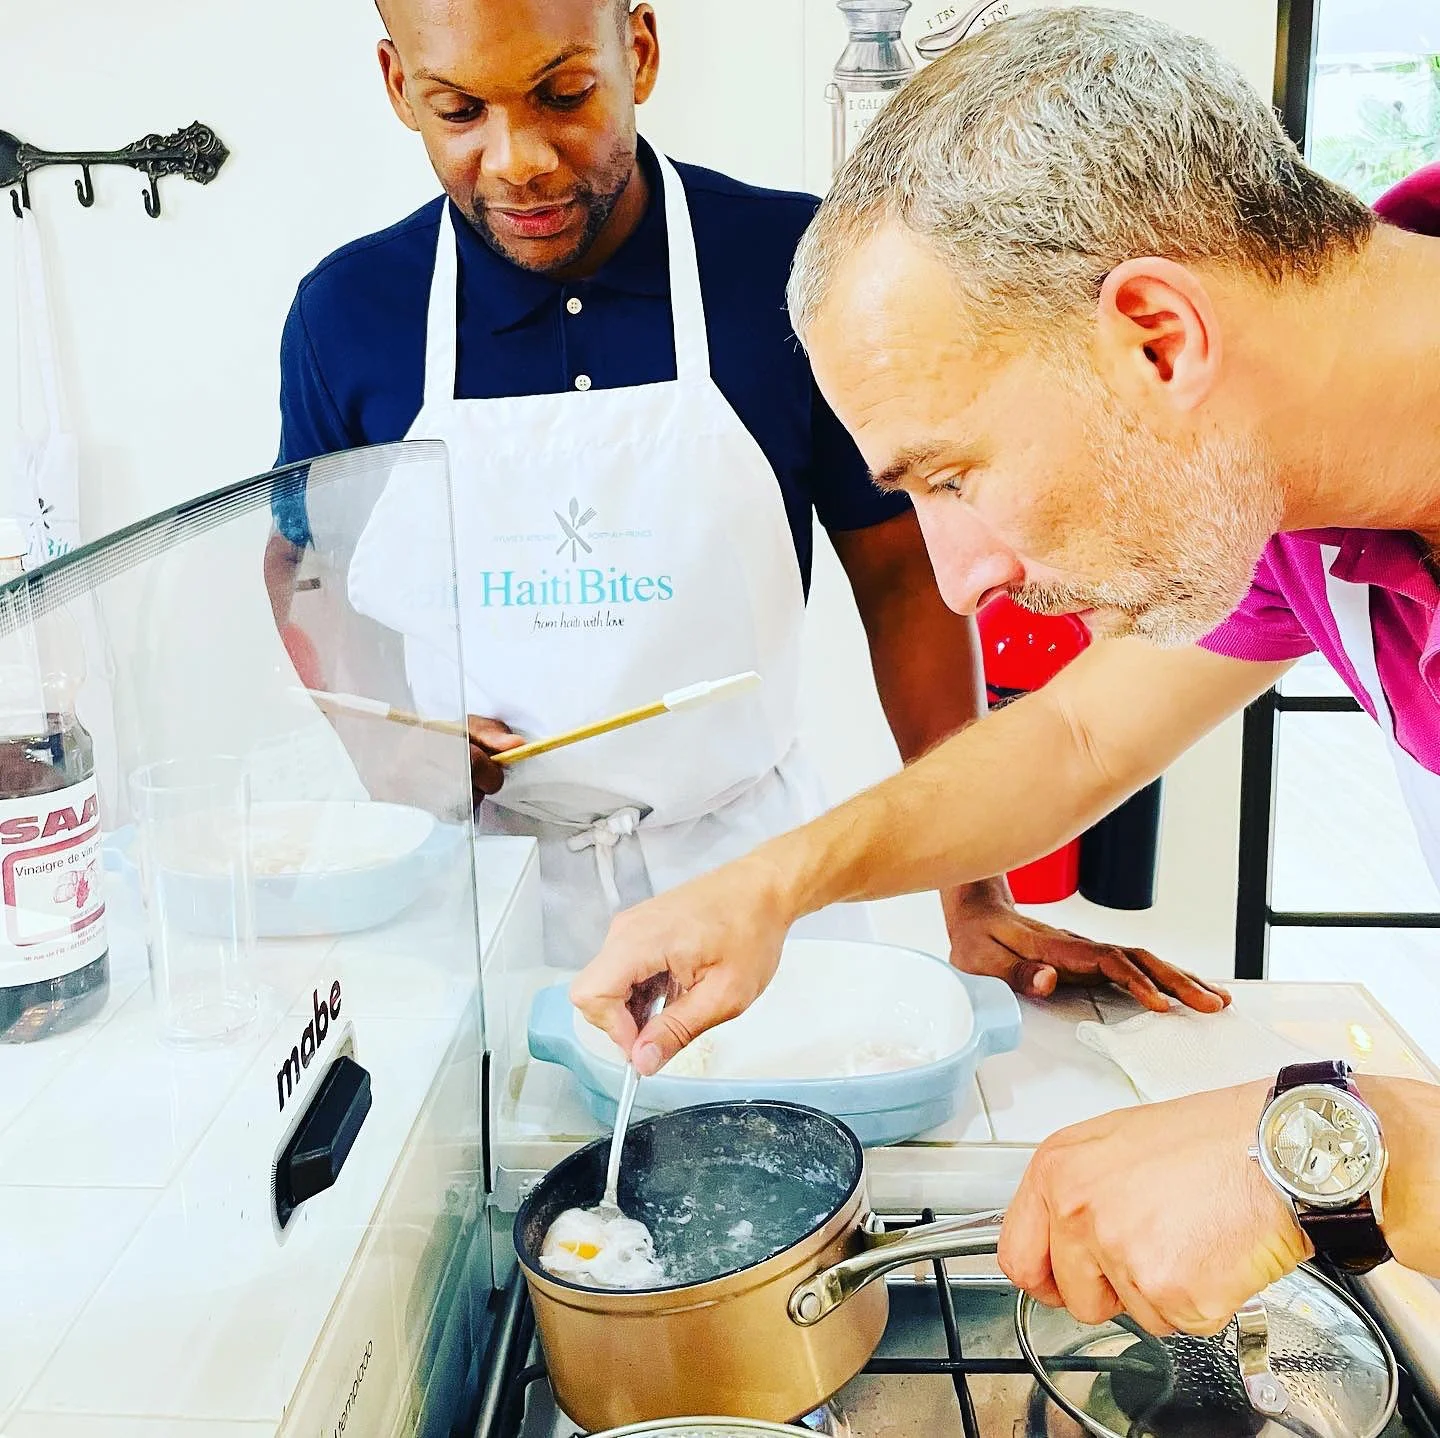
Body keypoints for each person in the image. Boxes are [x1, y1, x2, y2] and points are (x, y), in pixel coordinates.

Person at [570, 8, 1440, 1332]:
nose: (963, 576)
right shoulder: (1295, 483)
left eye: (956, 473)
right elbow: (1077, 742)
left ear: (1157, 336)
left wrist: (1339, 1147)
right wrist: (770, 886)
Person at [260, 0, 1200, 994]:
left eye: (565, 94)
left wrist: (975, 894)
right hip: (483, 892)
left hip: (746, 875)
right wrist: (385, 740)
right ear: (398, 86)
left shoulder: (791, 268)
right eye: (459, 111)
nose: (517, 159)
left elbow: (898, 578)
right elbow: (303, 557)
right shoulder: (350, 314)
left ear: (642, 53)